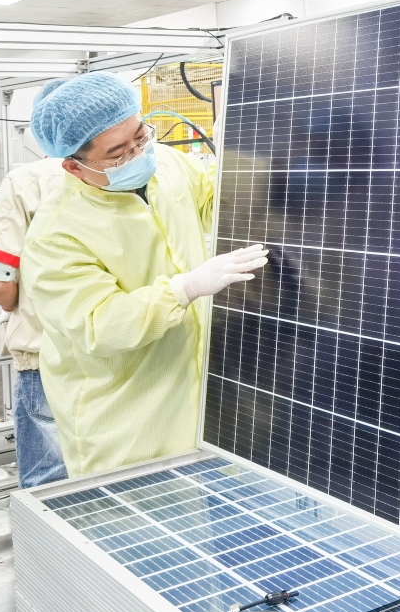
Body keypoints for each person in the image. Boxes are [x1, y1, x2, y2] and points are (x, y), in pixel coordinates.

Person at [19, 72, 267, 480]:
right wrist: (185, 289)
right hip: (125, 424)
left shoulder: (166, 164)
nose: (138, 154)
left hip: (200, 403)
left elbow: (218, 199)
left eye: (140, 136)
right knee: (142, 536)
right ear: (74, 166)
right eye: (118, 153)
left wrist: (243, 152)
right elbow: (100, 326)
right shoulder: (55, 236)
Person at [0, 78, 71, 612]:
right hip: (129, 354)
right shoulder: (157, 171)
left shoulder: (29, 179)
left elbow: (2, 286)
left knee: (49, 491)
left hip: (50, 359)